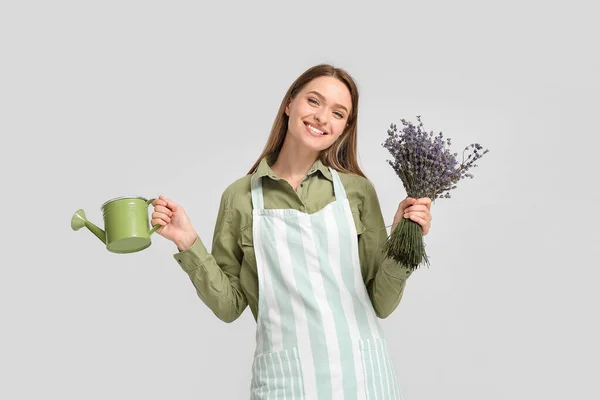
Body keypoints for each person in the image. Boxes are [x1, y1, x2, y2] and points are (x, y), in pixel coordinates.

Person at [151, 64, 433, 399]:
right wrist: (188, 242)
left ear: (345, 127)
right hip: (288, 381)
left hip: (364, 376)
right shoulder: (240, 197)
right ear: (289, 103)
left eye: (338, 113)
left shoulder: (357, 192)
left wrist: (404, 241)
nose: (322, 118)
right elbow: (229, 306)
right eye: (314, 101)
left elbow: (381, 304)